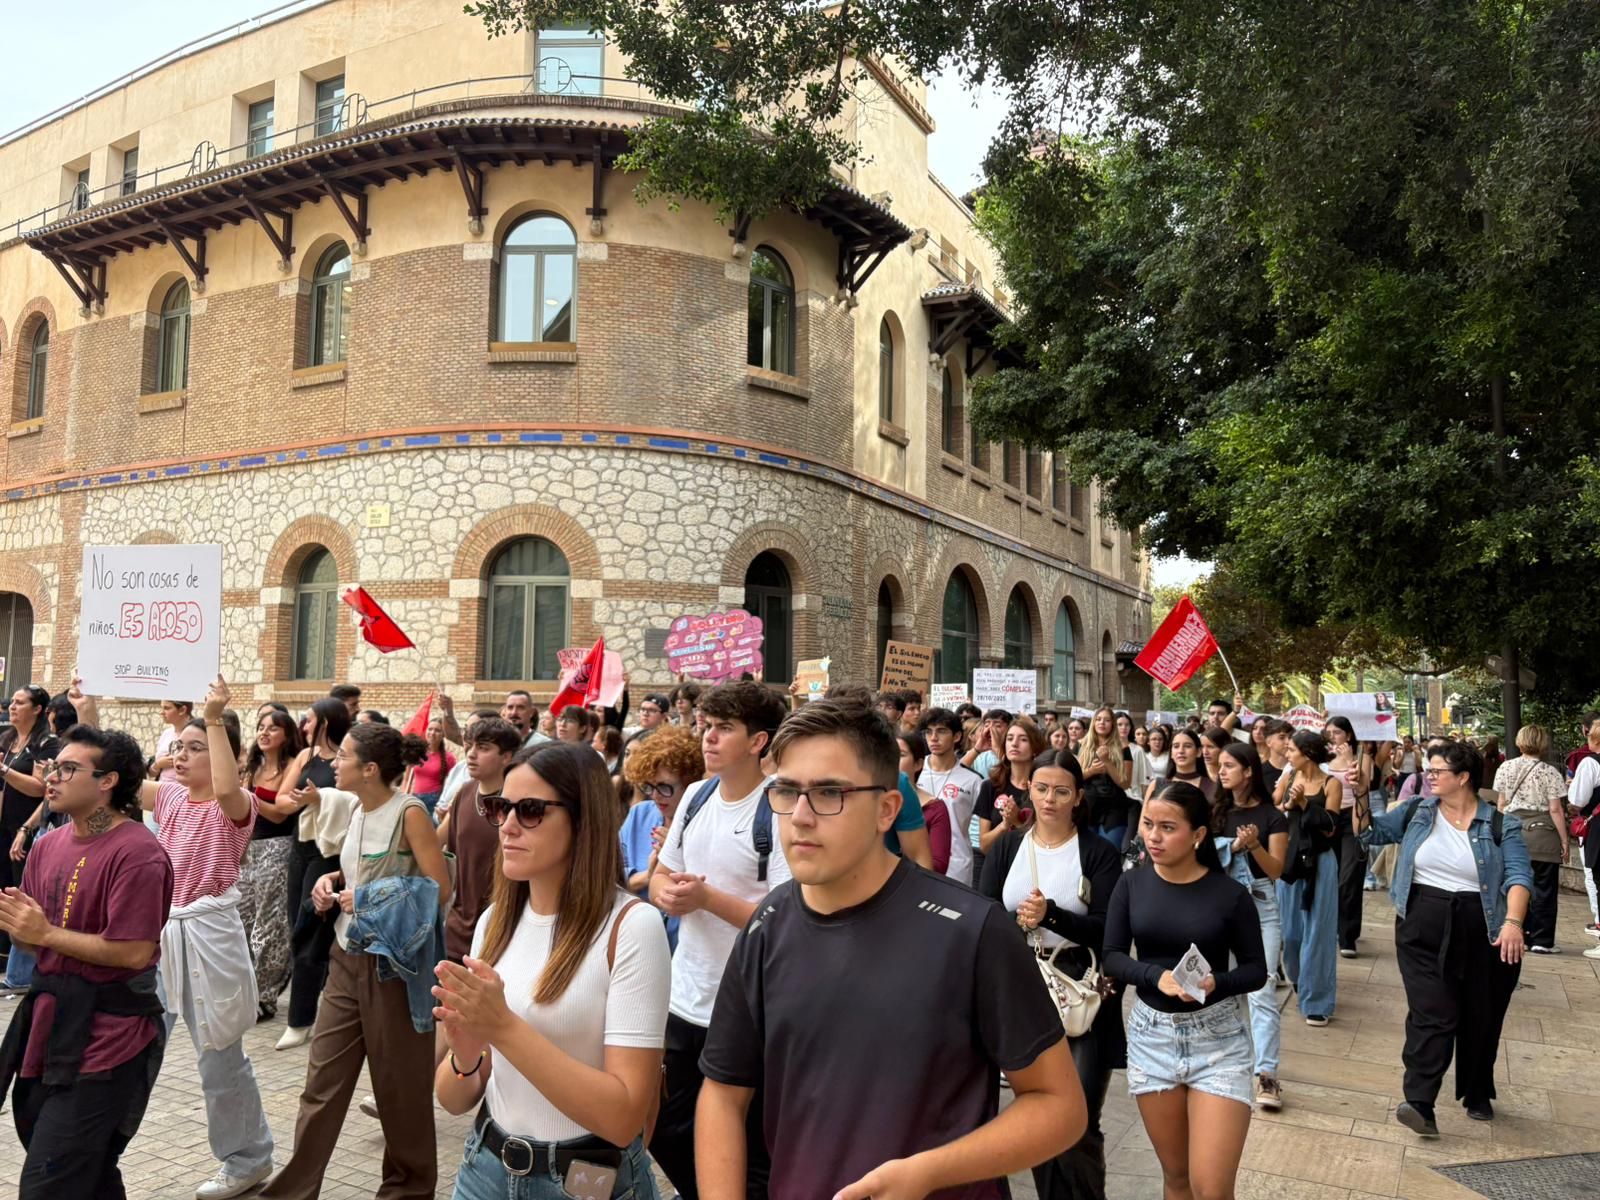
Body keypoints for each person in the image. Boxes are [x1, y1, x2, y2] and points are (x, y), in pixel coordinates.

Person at [698, 696, 1086, 1200]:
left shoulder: (973, 930)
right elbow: (724, 1094)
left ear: (886, 809)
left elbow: (1060, 1106)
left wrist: (927, 1173)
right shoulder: (768, 926)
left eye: (829, 793)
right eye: (787, 791)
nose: (800, 816)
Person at [432, 740, 672, 1199]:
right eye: (500, 807)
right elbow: (453, 1098)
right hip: (486, 1166)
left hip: (585, 1178)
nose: (507, 826)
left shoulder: (632, 927)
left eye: (531, 810)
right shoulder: (495, 921)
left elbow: (623, 1119)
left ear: (584, 820)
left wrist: (501, 1027)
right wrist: (466, 1055)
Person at [260, 722, 452, 1200]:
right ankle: (294, 1191)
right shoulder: (356, 810)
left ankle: (407, 1190)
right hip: (345, 958)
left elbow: (440, 891)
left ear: (369, 769)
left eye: (342, 756)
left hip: (393, 968)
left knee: (399, 1091)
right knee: (321, 1084)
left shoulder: (409, 813)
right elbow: (353, 869)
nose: (333, 763)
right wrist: (330, 881)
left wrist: (367, 897)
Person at [0, 724, 173, 1200]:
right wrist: (24, 931)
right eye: (53, 766)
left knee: (48, 1182)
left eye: (68, 768)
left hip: (107, 1041)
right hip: (48, 1030)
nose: (52, 777)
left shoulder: (138, 853)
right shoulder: (47, 845)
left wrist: (45, 934)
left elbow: (135, 952)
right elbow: (37, 943)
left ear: (108, 781)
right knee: (87, 1173)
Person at [647, 680, 791, 1200]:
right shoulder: (695, 794)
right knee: (661, 1122)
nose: (707, 738)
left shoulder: (779, 810)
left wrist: (705, 901)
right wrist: (670, 894)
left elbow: (784, 919)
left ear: (758, 742)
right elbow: (663, 874)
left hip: (749, 1008)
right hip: (685, 997)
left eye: (723, 728)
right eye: (706, 726)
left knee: (750, 1144)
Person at [137, 679, 275, 1199]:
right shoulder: (169, 796)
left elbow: (223, 789)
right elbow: (124, 781)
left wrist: (214, 719)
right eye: (179, 746)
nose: (183, 755)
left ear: (228, 757)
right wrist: (87, 711)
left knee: (219, 1056)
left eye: (196, 748)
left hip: (210, 934)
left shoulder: (235, 805)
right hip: (162, 934)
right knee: (136, 1042)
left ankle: (247, 1159)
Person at [1104, 781, 1266, 1200]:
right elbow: (1113, 956)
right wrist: (1154, 977)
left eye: (1167, 827)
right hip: (1151, 1037)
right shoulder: (1131, 885)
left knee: (1210, 1188)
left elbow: (1256, 971)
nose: (1153, 837)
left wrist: (1218, 983)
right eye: (1148, 825)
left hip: (1219, 1041)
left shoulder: (1230, 895)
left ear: (1198, 835)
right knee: (1177, 1178)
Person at [1362, 740, 1530, 1134]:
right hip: (1421, 923)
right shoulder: (1417, 811)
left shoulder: (1501, 824)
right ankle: (1419, 1101)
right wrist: (1361, 792)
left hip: (1484, 927)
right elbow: (1371, 833)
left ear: (1464, 777)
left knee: (1481, 1014)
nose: (1429, 776)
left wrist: (1513, 923)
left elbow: (1519, 876)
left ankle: (1476, 1091)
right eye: (1428, 770)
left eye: (1437, 771)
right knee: (1432, 1011)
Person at [979, 749, 1124, 1200]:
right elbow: (981, 914)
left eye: (1062, 791)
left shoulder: (1099, 853)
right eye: (1041, 789)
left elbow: (1108, 929)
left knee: (1076, 1119)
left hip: (1079, 992)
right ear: (1028, 790)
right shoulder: (1007, 845)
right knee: (1037, 1116)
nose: (1050, 799)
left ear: (1078, 797)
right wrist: (1019, 925)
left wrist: (1052, 915)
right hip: (1020, 990)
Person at [1214, 743, 1289, 1111]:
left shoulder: (1271, 815)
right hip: (1220, 903)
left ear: (1248, 771)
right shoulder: (1215, 811)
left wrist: (1254, 845)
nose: (1221, 771)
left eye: (1229, 765)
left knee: (1262, 988)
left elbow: (1276, 869)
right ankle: (1230, 1065)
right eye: (1219, 765)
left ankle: (1267, 1074)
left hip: (1260, 903)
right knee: (1224, 987)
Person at [277, 696, 351, 1050]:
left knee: (311, 931)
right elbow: (280, 800)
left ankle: (300, 1018)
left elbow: (354, 802)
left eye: (309, 720)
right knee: (297, 927)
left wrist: (321, 799)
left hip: (328, 853)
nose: (303, 726)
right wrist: (302, 801)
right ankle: (308, 1009)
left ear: (326, 721)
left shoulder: (344, 760)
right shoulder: (305, 757)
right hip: (300, 848)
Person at [438, 718, 523, 966]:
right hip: (457, 932)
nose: (472, 755)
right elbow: (433, 846)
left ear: (507, 757)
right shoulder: (464, 793)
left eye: (484, 748)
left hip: (504, 932)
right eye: (470, 746)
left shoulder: (518, 803)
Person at [240, 709, 304, 1021]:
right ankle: (243, 990)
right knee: (243, 920)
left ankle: (263, 996)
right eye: (260, 727)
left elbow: (279, 813)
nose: (264, 733)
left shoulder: (293, 766)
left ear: (286, 734)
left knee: (269, 925)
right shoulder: (251, 767)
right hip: (249, 849)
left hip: (278, 849)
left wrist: (248, 799)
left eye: (273, 728)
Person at [1275, 731, 1343, 1027]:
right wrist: (1287, 802)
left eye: (1291, 750)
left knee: (1319, 932)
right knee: (1290, 934)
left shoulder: (1332, 783)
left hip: (1321, 862)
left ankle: (1317, 1000)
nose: (1287, 755)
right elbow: (1275, 810)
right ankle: (1300, 978)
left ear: (1308, 753)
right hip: (1290, 862)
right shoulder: (1289, 777)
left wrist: (1304, 803)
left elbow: (1330, 827)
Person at [621, 724, 705, 952]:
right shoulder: (640, 814)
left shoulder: (705, 820)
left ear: (690, 783)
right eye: (650, 786)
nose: (656, 796)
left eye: (665, 787)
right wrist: (649, 876)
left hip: (685, 946)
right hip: (636, 940)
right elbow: (610, 881)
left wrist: (678, 854)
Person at [1493, 725, 1568, 954]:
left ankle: (1519, 934)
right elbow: (1555, 809)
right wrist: (1564, 840)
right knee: (1544, 889)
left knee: (1515, 884)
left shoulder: (1506, 767)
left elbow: (1501, 805)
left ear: (1519, 741)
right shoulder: (1550, 772)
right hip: (1543, 834)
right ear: (1543, 744)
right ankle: (1542, 941)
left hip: (1514, 834)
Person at [0, 687, 57, 973]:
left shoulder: (45, 743)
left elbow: (41, 788)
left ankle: (21, 964)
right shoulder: (7, 739)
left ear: (37, 709)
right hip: (3, 826)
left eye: (20, 703)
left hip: (29, 827)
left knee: (20, 890)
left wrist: (4, 771)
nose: (12, 707)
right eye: (12, 702)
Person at [915, 708, 987, 885]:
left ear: (957, 736)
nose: (933, 738)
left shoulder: (973, 780)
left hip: (957, 868)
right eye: (928, 732)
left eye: (941, 731)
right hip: (916, 864)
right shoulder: (913, 770)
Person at [1323, 715, 1372, 958]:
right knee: (1328, 876)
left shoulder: (1363, 757)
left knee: (1349, 879)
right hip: (1328, 819)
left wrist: (1351, 759)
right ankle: (1331, 926)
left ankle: (1348, 936)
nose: (1332, 737)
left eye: (1337, 733)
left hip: (1353, 820)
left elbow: (1363, 785)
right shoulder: (1323, 760)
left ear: (1348, 735)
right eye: (1328, 732)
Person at [976, 718, 1045, 856]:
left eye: (1023, 739)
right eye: (1010, 738)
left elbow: (1046, 843)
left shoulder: (1044, 788)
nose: (1014, 744)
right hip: (996, 865)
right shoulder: (990, 786)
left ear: (1035, 749)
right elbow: (984, 846)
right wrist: (1004, 825)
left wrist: (1018, 821)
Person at [1080, 706, 1133, 849]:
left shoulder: (1124, 748)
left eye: (1107, 720)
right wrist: (1091, 771)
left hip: (1114, 809)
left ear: (1113, 724)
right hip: (1088, 807)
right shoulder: (1081, 746)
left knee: (1109, 853)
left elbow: (1125, 783)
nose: (1102, 723)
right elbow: (1072, 778)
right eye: (1098, 719)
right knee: (1088, 854)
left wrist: (1108, 762)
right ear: (1093, 722)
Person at [898, 730, 950, 873]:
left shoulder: (935, 808)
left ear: (918, 764)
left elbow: (938, 866)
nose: (892, 760)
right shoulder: (872, 799)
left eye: (901, 755)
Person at [406, 714, 454, 815]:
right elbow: (407, 779)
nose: (432, 733)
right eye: (430, 729)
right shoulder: (417, 753)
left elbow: (452, 783)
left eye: (437, 730)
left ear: (443, 735)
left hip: (434, 799)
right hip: (414, 798)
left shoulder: (448, 758)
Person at [146, 699, 193, 785]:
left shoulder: (196, 734)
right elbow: (152, 773)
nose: (162, 712)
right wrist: (158, 764)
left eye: (167, 708)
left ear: (182, 710)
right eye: (162, 708)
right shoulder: (166, 734)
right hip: (162, 789)